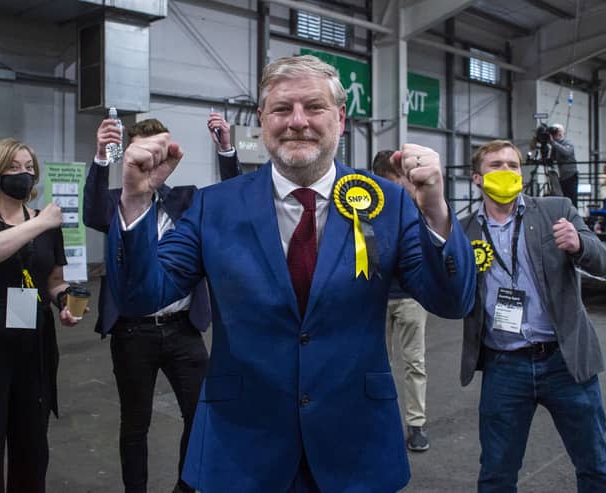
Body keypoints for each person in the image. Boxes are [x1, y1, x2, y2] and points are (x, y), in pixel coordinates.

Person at [106, 55, 476, 493]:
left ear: (339, 117)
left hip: (354, 445)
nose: (297, 121)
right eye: (282, 109)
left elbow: (453, 300)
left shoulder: (387, 202)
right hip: (241, 445)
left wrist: (435, 210)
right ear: (263, 119)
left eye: (314, 107)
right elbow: (140, 296)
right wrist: (134, 201)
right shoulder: (212, 206)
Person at [83, 117, 241, 493]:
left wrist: (226, 150)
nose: (152, 157)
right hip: (132, 330)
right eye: (144, 149)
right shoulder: (115, 201)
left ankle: (186, 488)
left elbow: (232, 199)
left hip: (183, 328)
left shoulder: (186, 200)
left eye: (159, 148)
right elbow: (91, 213)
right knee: (135, 424)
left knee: (201, 415)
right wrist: (102, 158)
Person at [462, 139, 606, 492]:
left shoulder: (556, 209)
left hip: (565, 359)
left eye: (513, 165)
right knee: (496, 473)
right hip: (505, 364)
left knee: (594, 465)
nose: (506, 172)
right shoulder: (465, 231)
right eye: (496, 165)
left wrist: (580, 244)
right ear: (476, 179)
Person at [0, 138, 84, 493]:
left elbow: (53, 281)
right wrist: (41, 222)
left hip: (34, 346)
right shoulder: (43, 221)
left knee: (32, 446)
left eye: (29, 168)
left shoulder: (47, 225)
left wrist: (64, 299)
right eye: (14, 168)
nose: (24, 174)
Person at [372, 149, 430, 452]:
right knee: (374, 364)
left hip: (410, 296)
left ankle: (416, 425)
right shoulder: (363, 206)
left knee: (414, 362)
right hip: (374, 299)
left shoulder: (416, 206)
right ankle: (377, 421)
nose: (403, 184)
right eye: (396, 179)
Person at [550, 123, 578, 206]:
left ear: (561, 133)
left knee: (571, 198)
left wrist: (554, 143)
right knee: (564, 198)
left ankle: (573, 216)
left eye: (556, 131)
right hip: (562, 176)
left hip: (571, 175)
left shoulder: (568, 143)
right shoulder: (555, 145)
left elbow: (567, 152)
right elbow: (553, 158)